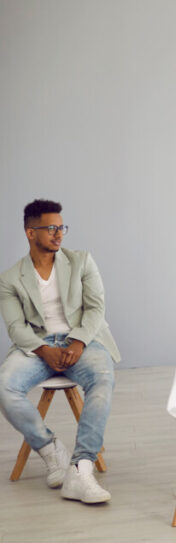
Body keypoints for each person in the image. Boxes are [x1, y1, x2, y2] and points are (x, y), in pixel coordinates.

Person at [0, 199, 117, 504]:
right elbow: (15, 327)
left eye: (61, 227)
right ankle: (52, 451)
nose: (58, 234)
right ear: (30, 232)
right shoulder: (10, 278)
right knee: (4, 386)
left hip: (81, 341)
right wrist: (43, 350)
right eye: (50, 228)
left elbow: (96, 308)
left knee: (103, 377)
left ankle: (81, 468)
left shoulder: (81, 261)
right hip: (37, 346)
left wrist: (77, 341)